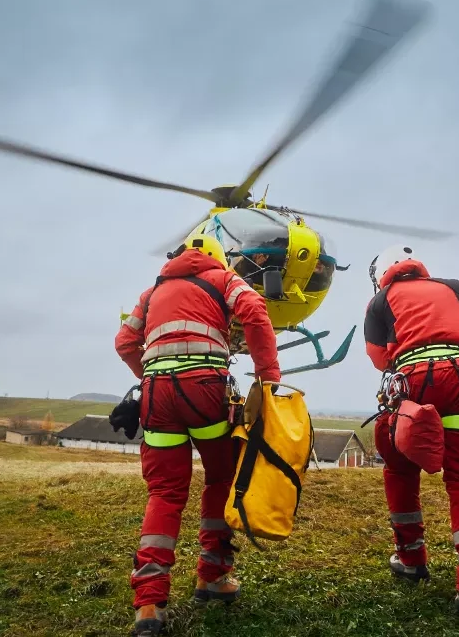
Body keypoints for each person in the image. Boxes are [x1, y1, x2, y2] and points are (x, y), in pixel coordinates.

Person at [115, 235, 281, 637]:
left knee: (165, 493)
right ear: (217, 258)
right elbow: (255, 312)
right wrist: (269, 378)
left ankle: (150, 605)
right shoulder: (223, 278)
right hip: (205, 389)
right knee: (221, 478)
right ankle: (212, 576)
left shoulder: (152, 290)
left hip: (156, 395)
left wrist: (152, 376)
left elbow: (124, 342)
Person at [363, 244, 459, 624]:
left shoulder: (379, 303)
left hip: (413, 381)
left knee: (399, 466)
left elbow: (379, 358)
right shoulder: (455, 286)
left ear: (381, 275)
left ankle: (411, 559)